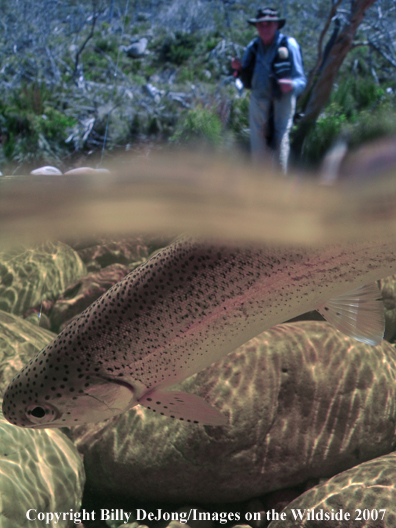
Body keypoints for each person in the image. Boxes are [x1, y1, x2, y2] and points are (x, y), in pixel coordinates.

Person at [231, 7, 306, 173]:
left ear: (277, 25)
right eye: (261, 25)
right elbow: (244, 78)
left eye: (269, 24)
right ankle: (261, 188)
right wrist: (238, 69)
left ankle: (280, 189)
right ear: (256, 27)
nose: (265, 28)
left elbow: (301, 80)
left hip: (283, 102)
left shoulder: (289, 45)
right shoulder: (253, 47)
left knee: (280, 145)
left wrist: (292, 86)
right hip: (258, 102)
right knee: (258, 149)